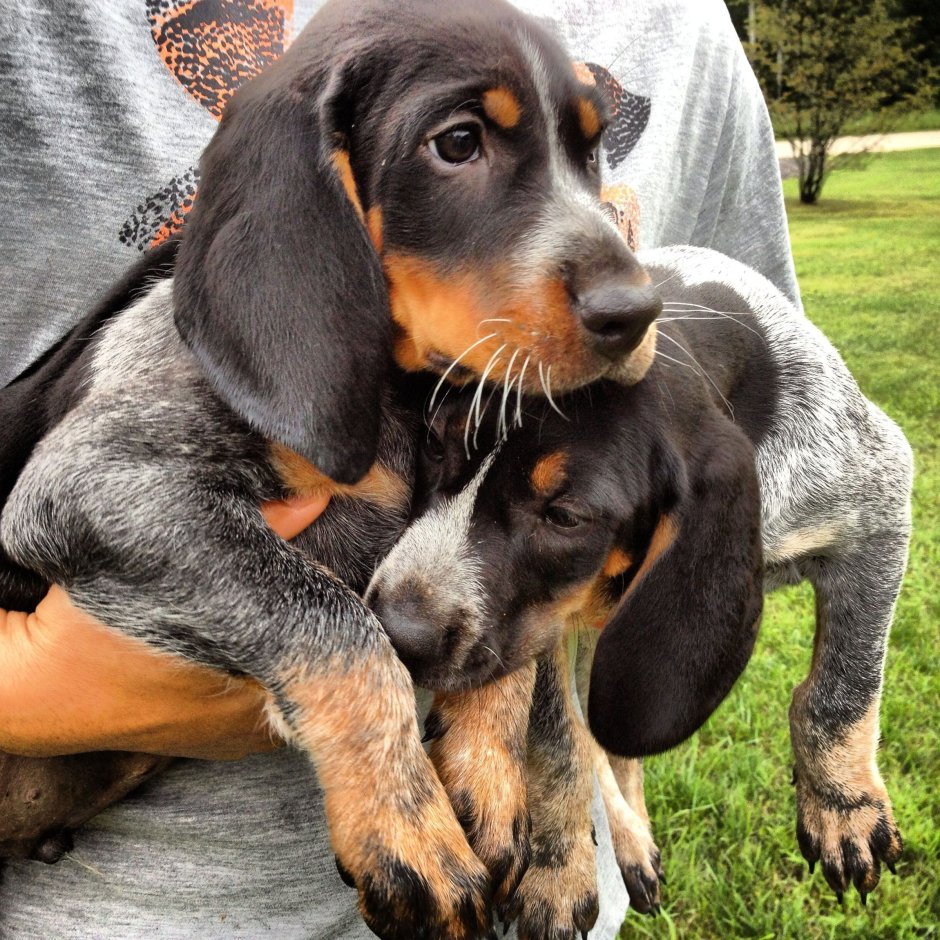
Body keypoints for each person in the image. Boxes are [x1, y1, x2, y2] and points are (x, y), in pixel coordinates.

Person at [0, 0, 800, 936]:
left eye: (584, 153)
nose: (621, 282)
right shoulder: (266, 327)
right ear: (320, 184)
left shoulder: (677, 27)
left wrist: (502, 696)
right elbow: (62, 499)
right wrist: (343, 683)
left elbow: (618, 483)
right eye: (459, 143)